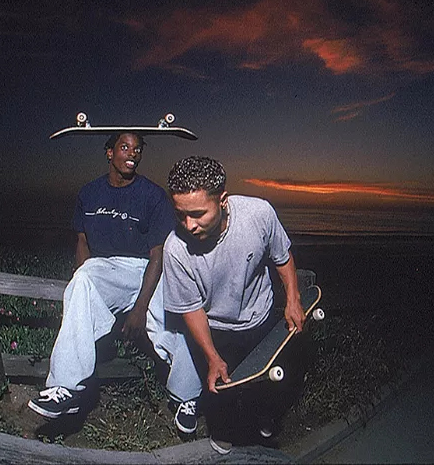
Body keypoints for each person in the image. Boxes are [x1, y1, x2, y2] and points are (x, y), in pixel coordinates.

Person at [28, 132, 203, 436]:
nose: (132, 154)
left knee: (177, 318)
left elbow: (158, 254)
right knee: (80, 281)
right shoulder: (89, 193)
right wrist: (88, 291)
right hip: (108, 269)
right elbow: (82, 242)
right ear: (109, 153)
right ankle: (65, 388)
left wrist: (139, 309)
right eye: (124, 147)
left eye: (137, 149)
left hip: (149, 270)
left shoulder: (153, 195)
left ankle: (187, 397)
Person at [162, 155, 306, 455]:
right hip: (216, 327)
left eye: (198, 213)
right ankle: (224, 429)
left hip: (261, 315)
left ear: (223, 200)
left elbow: (282, 257)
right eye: (180, 215)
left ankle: (266, 415)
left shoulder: (258, 214)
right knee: (221, 391)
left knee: (271, 381)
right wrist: (211, 356)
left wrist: (293, 299)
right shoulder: (175, 250)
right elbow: (191, 310)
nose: (188, 225)